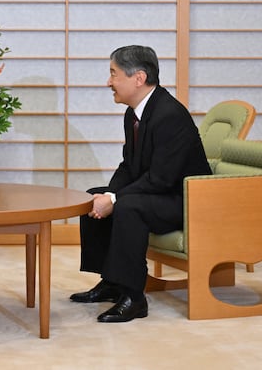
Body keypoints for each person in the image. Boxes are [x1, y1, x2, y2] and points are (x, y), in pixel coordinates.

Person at [70, 45, 211, 322]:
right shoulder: (134, 112)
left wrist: (114, 201)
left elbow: (160, 178)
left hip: (184, 199)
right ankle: (111, 281)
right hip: (159, 192)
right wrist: (108, 195)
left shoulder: (169, 114)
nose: (108, 82)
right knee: (94, 196)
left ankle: (134, 297)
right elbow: (129, 166)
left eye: (113, 74)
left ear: (138, 78)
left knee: (128, 207)